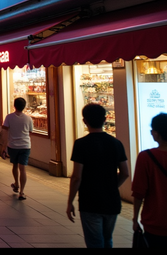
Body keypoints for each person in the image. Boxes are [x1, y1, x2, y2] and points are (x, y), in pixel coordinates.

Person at [66, 103, 129, 248]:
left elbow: (76, 177)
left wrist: (70, 201)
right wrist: (112, 186)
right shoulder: (116, 143)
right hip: (112, 201)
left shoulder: (81, 144)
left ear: (84, 121)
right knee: (107, 240)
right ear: (105, 119)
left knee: (95, 242)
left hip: (90, 201)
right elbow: (125, 173)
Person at [131, 113, 167, 248]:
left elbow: (138, 192)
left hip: (154, 223)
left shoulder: (146, 157)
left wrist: (135, 218)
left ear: (156, 133)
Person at [0, 97, 33, 199]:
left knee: (15, 165)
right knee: (22, 169)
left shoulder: (9, 117)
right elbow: (30, 132)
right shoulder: (29, 118)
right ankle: (22, 192)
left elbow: (5, 132)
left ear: (14, 106)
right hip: (25, 145)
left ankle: (16, 184)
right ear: (24, 106)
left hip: (13, 145)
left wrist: (4, 147)